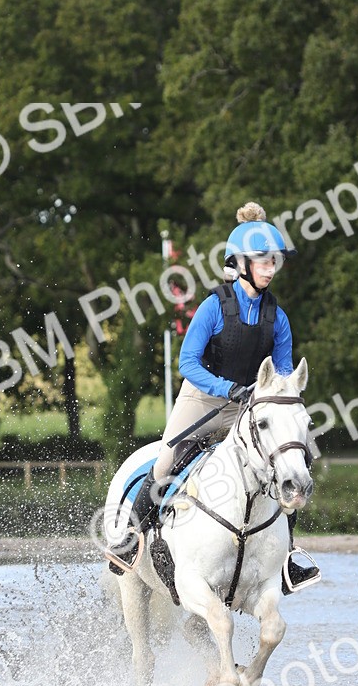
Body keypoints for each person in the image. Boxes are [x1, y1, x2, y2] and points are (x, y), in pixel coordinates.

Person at [105, 202, 321, 593]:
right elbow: (187, 362)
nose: (271, 268)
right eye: (263, 261)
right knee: (166, 462)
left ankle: (287, 558)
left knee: (288, 464)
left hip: (252, 406)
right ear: (241, 264)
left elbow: (285, 374)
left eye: (274, 261)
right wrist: (228, 389)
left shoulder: (279, 317)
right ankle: (130, 540)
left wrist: (276, 398)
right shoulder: (214, 306)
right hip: (204, 397)